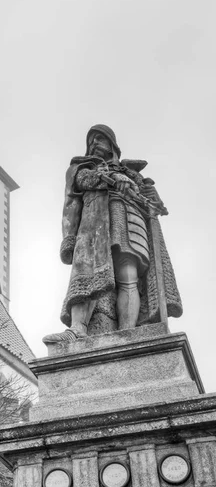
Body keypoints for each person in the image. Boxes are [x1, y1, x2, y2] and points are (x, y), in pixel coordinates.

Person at [44, 124, 182, 343]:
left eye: (99, 139)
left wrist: (152, 196)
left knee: (129, 276)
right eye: (91, 141)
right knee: (86, 274)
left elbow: (152, 204)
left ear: (112, 144)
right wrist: (111, 179)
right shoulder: (84, 166)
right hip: (94, 226)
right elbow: (83, 181)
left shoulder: (133, 174)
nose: (94, 144)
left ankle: (128, 331)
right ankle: (77, 328)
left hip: (131, 221)